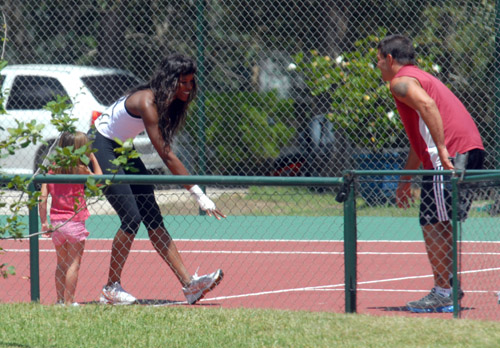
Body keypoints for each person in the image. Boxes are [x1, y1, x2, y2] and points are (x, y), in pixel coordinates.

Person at [91, 53, 225, 305]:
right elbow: (166, 155)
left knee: (152, 217)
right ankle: (110, 288)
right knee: (131, 217)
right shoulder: (147, 102)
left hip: (122, 148)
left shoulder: (167, 102)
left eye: (191, 82)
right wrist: (198, 194)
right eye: (183, 82)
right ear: (170, 81)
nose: (188, 88)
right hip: (102, 145)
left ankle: (190, 286)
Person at [376, 34, 485, 313]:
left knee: (433, 222)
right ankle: (448, 286)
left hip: (449, 154)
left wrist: (441, 149)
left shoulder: (400, 82)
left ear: (389, 59)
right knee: (441, 221)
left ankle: (443, 292)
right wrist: (405, 181)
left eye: (378, 60)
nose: (377, 66)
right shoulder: (420, 77)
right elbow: (419, 141)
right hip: (465, 149)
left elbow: (428, 107)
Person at [39, 131, 103, 306]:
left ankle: (60, 299)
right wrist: (93, 158)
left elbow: (42, 198)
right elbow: (99, 180)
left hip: (57, 223)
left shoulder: (51, 169)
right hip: (74, 221)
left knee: (61, 263)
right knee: (74, 263)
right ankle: (70, 301)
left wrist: (44, 221)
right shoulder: (80, 169)